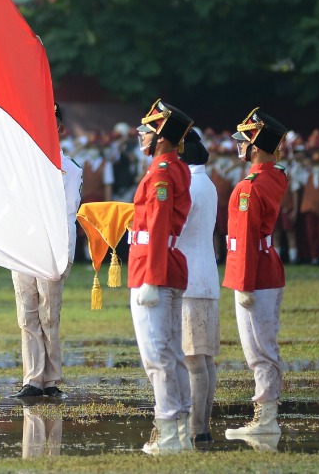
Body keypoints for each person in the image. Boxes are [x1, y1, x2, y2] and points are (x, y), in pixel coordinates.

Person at [126, 100, 194, 454]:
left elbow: (158, 225)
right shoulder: (171, 168)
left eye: (147, 130)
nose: (141, 135)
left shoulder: (162, 173)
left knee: (157, 355)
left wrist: (150, 277)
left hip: (153, 266)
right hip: (161, 262)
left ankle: (168, 428)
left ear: (162, 137)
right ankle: (178, 429)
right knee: (170, 353)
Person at [222, 108, 289, 441]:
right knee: (264, 347)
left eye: (246, 140)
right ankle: (266, 414)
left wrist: (244, 283)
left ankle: (266, 417)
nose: (241, 146)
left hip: (255, 273)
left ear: (257, 144)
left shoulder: (250, 185)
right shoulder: (272, 176)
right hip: (265, 269)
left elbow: (246, 238)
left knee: (259, 350)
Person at [10, 103, 83, 399]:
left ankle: (51, 379)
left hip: (52, 247)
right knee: (26, 315)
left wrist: (63, 255)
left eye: (50, 123)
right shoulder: (21, 165)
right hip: (25, 246)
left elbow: (66, 214)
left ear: (61, 129)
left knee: (49, 315)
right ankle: (32, 377)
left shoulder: (71, 168)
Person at [179, 129, 220, 444]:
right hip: (205, 276)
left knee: (194, 360)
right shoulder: (207, 183)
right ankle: (201, 425)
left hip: (189, 279)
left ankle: (197, 427)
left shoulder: (189, 185)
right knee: (204, 359)